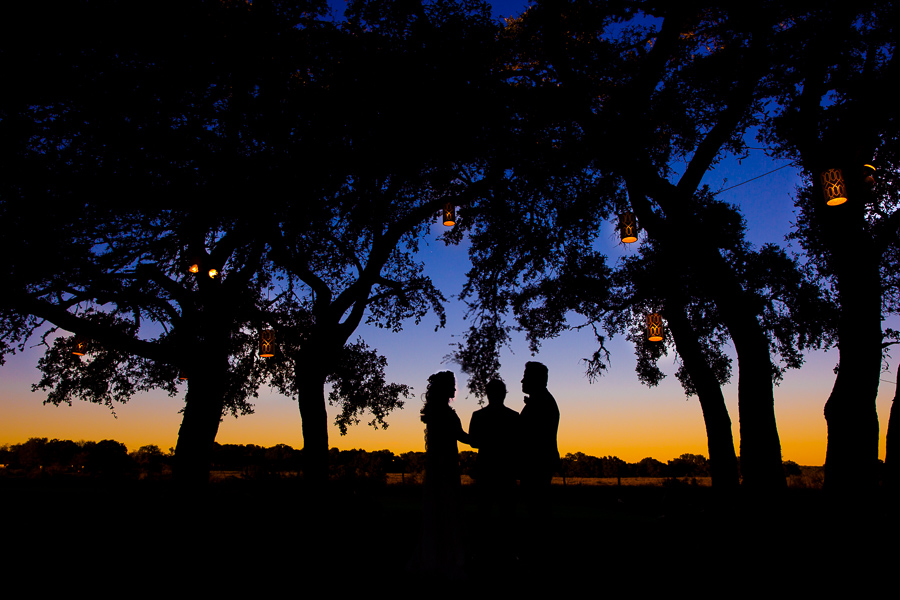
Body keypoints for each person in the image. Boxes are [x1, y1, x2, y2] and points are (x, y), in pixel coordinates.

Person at [410, 370, 470, 580]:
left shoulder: (437, 411)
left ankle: (436, 555)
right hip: (445, 467)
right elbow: (461, 436)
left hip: (439, 465)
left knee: (438, 509)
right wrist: (485, 441)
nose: (454, 389)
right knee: (447, 508)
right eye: (452, 385)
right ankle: (445, 558)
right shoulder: (444, 412)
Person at [468, 378, 519, 563]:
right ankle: (508, 552)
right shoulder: (514, 417)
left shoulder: (478, 416)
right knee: (507, 514)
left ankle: (482, 551)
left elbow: (473, 441)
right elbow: (518, 443)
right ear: (504, 394)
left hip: (486, 469)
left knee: (484, 513)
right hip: (506, 470)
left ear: (487, 394)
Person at [519, 361, 559, 556]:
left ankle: (540, 552)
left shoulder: (541, 403)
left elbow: (531, 437)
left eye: (525, 377)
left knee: (538, 509)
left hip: (537, 464)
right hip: (537, 463)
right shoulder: (541, 401)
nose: (522, 380)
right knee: (537, 508)